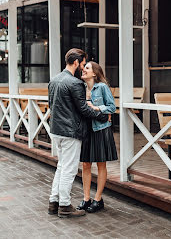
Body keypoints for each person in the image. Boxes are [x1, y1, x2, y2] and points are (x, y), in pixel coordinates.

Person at [48, 48, 109, 218]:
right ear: (76, 62)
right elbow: (83, 109)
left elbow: (51, 104)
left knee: (61, 167)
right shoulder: (76, 83)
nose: (82, 67)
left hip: (56, 131)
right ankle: (65, 206)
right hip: (70, 132)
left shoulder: (54, 80)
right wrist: (101, 115)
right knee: (69, 169)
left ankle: (54, 202)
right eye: (82, 63)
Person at [77, 61, 117, 213]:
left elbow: (112, 107)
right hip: (87, 130)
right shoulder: (80, 88)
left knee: (101, 164)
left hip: (101, 129)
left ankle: (98, 199)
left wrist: (97, 107)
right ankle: (86, 198)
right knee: (86, 164)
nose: (83, 70)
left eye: (87, 68)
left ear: (94, 73)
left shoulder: (102, 87)